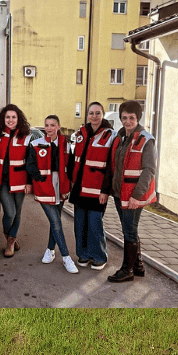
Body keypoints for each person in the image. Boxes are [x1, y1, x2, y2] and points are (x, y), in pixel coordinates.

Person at [107, 100, 156, 283]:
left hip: (132, 195)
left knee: (129, 231)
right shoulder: (121, 138)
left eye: (131, 118)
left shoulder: (145, 139)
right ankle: (138, 265)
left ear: (138, 118)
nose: (127, 121)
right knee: (130, 230)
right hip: (120, 193)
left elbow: (149, 170)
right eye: (124, 118)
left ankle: (127, 270)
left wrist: (136, 196)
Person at [26, 115, 78, 274]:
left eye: (52, 125)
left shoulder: (66, 145)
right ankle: (66, 257)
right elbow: (30, 165)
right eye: (46, 125)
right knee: (56, 222)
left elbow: (70, 166)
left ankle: (50, 250)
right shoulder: (36, 144)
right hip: (44, 186)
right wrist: (38, 179)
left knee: (55, 221)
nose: (49, 128)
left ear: (58, 127)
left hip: (60, 187)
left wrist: (69, 185)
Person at [70, 102, 114, 270]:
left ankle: (99, 256)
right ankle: (83, 255)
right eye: (91, 113)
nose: (94, 116)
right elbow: (74, 159)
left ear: (103, 115)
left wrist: (105, 190)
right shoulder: (81, 133)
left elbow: (111, 167)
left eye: (97, 113)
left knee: (95, 225)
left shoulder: (111, 135)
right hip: (80, 188)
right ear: (87, 115)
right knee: (80, 224)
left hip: (97, 190)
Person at [0, 104, 33, 257]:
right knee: (10, 212)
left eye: (13, 117)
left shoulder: (26, 136)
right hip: (2, 181)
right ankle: (9, 237)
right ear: (3, 119)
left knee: (18, 212)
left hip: (20, 181)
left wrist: (29, 182)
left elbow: (30, 162)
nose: (10, 120)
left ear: (18, 119)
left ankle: (10, 241)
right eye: (7, 117)